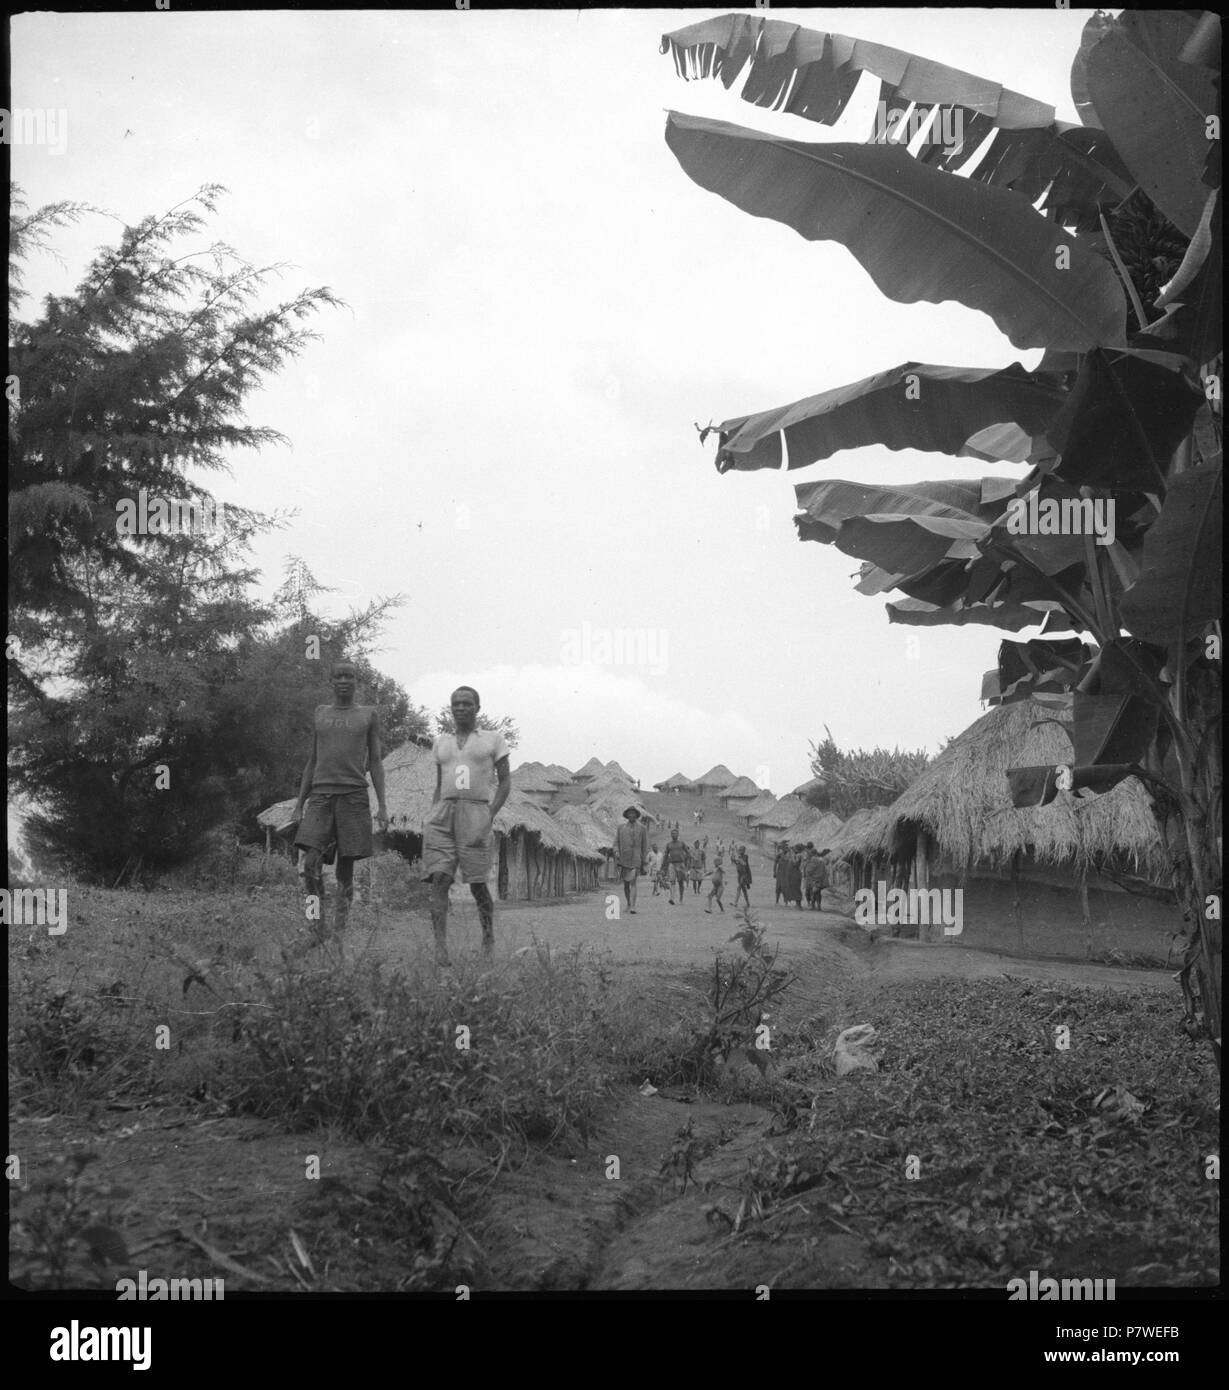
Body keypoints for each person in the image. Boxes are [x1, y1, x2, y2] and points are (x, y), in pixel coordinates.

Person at [294, 660, 388, 937]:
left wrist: (382, 805)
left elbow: (376, 761)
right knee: (310, 864)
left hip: (354, 796)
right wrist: (300, 803)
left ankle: (338, 934)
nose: (344, 680)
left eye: (350, 676)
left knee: (344, 872)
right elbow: (313, 759)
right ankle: (316, 925)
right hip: (321, 797)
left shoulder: (368, 715)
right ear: (331, 681)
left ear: (357, 681)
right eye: (339, 676)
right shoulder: (320, 713)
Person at [422, 686, 511, 965]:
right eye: (456, 704)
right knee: (439, 879)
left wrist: (490, 814)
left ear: (477, 708)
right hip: (443, 813)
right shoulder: (441, 743)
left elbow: (506, 782)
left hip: (476, 812)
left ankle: (488, 937)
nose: (460, 708)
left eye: (466, 704)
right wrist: (433, 812)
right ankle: (440, 947)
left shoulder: (493, 740)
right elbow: (439, 783)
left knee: (477, 884)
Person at [613, 806, 649, 913]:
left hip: (636, 858)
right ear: (627, 815)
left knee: (633, 882)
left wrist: (643, 859)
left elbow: (645, 845)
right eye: (630, 813)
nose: (631, 815)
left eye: (633, 813)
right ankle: (628, 903)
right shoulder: (621, 828)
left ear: (636, 815)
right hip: (624, 858)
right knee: (626, 884)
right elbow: (616, 843)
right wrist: (617, 851)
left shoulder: (642, 828)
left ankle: (633, 906)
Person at [661, 829, 691, 906]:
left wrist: (687, 864)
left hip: (680, 864)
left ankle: (681, 898)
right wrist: (663, 866)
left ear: (678, 835)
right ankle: (672, 898)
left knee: (680, 882)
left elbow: (688, 854)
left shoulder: (682, 843)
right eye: (672, 834)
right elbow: (665, 856)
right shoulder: (669, 844)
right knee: (672, 881)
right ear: (671, 835)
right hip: (672, 864)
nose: (674, 835)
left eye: (675, 834)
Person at [733, 846, 752, 910]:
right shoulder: (738, 857)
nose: (740, 851)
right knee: (744, 890)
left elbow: (744, 864)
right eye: (739, 850)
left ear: (744, 851)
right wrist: (734, 859)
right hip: (739, 875)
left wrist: (739, 859)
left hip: (744, 875)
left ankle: (735, 903)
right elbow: (736, 863)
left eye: (741, 850)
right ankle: (748, 903)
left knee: (739, 887)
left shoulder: (745, 856)